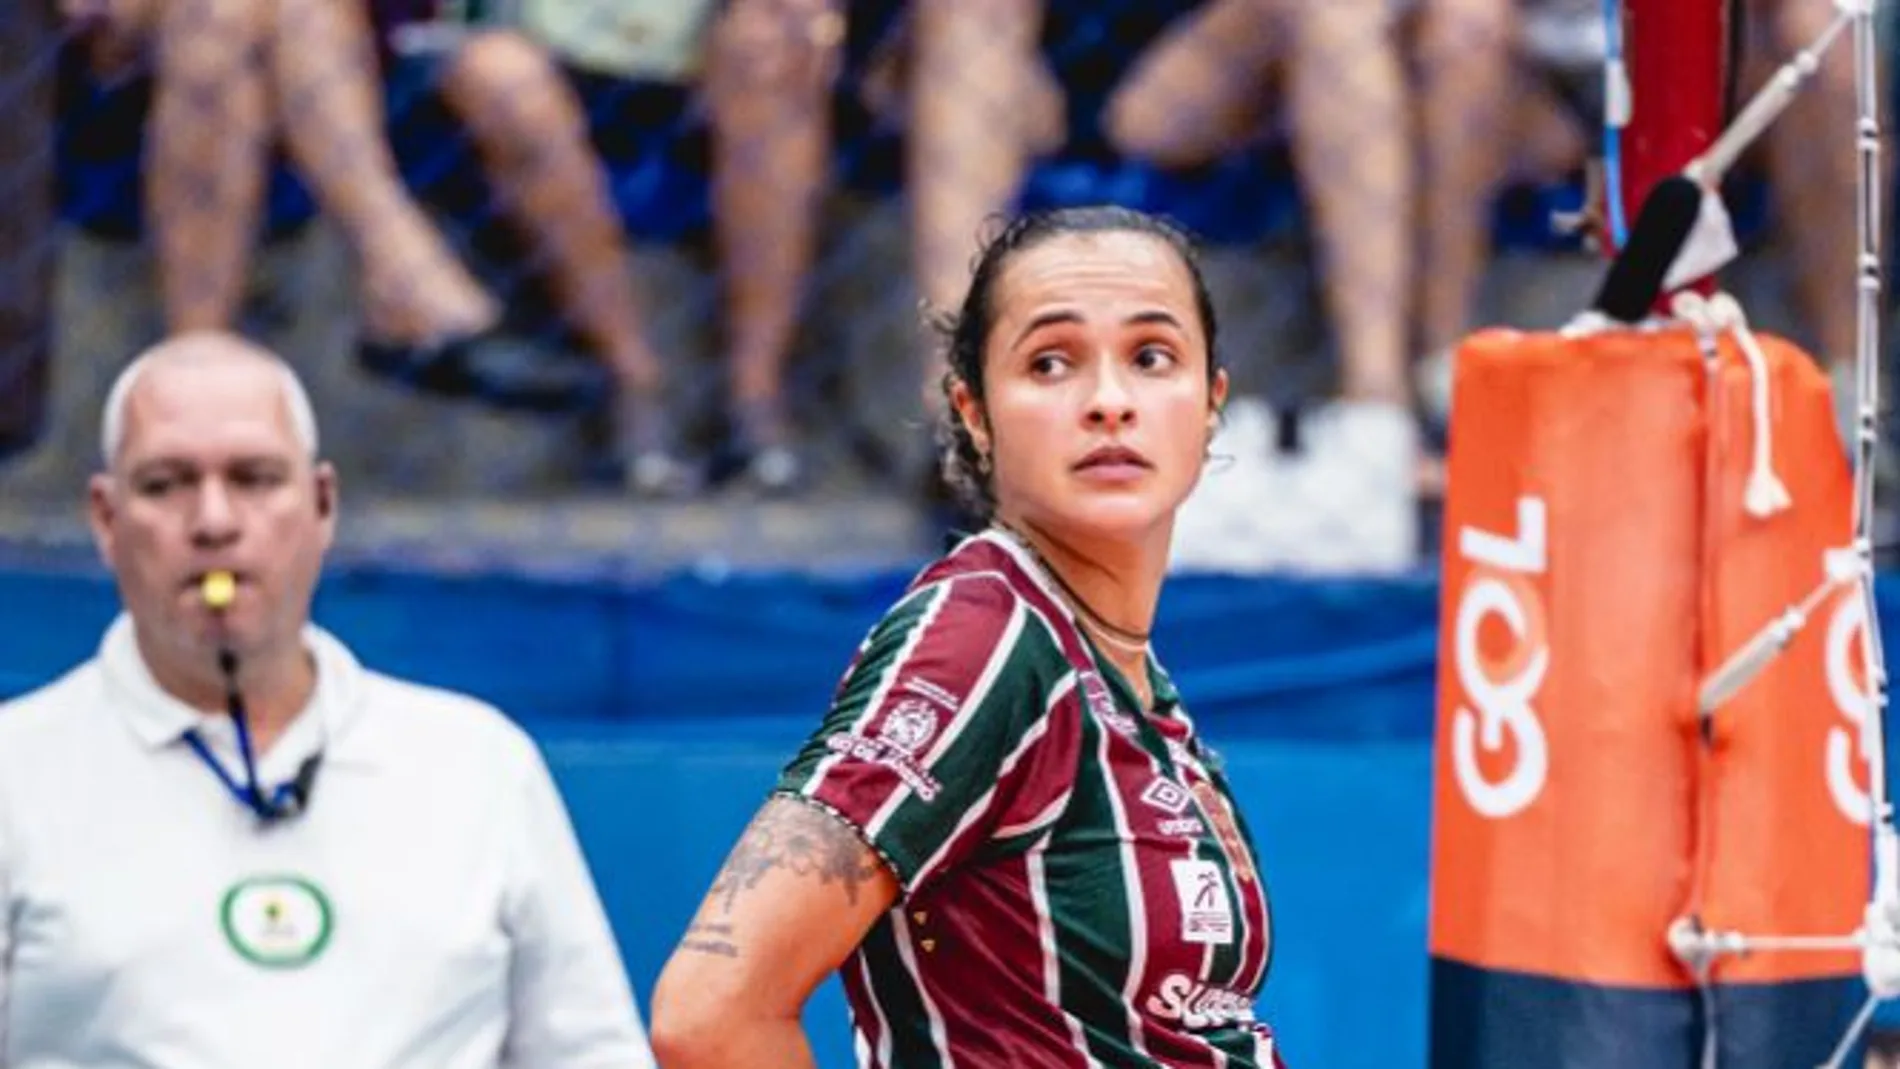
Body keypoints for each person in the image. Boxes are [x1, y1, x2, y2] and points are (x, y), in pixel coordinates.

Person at [649, 205, 1285, 1067]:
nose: (1108, 402)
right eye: (1051, 363)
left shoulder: (1120, 664)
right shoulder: (985, 635)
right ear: (975, 412)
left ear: (1211, 402)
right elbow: (713, 1010)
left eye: (1151, 358)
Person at [0, 331, 654, 1066]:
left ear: (321, 503)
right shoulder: (15, 773)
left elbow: (591, 1054)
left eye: (254, 477)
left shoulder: (477, 764)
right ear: (106, 520)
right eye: (165, 483)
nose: (213, 520)